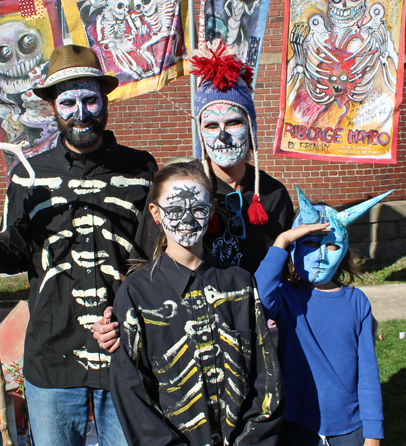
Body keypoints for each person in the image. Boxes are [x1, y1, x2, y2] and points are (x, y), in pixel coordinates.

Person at [0, 44, 158, 445]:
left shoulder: (141, 168)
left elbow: (152, 256)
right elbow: (15, 248)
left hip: (125, 351)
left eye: (90, 100)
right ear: (53, 108)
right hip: (52, 353)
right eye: (68, 101)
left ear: (104, 101)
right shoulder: (28, 174)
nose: (80, 113)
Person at [110, 161, 284, 446]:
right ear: (155, 213)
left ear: (211, 209)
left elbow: (266, 376)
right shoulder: (137, 294)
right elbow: (131, 389)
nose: (188, 220)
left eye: (198, 209)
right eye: (175, 210)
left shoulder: (239, 283)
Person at [135, 39, 294, 275]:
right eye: (211, 125)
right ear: (200, 132)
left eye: (233, 122)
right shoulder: (176, 186)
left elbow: (288, 271)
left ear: (250, 127)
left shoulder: (274, 194)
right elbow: (144, 262)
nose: (223, 136)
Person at [255, 186, 389, 446]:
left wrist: (373, 434)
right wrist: (282, 241)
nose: (319, 256)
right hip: (297, 424)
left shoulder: (356, 302)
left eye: (331, 246)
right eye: (309, 243)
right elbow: (262, 292)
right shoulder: (285, 296)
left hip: (349, 428)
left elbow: (368, 373)